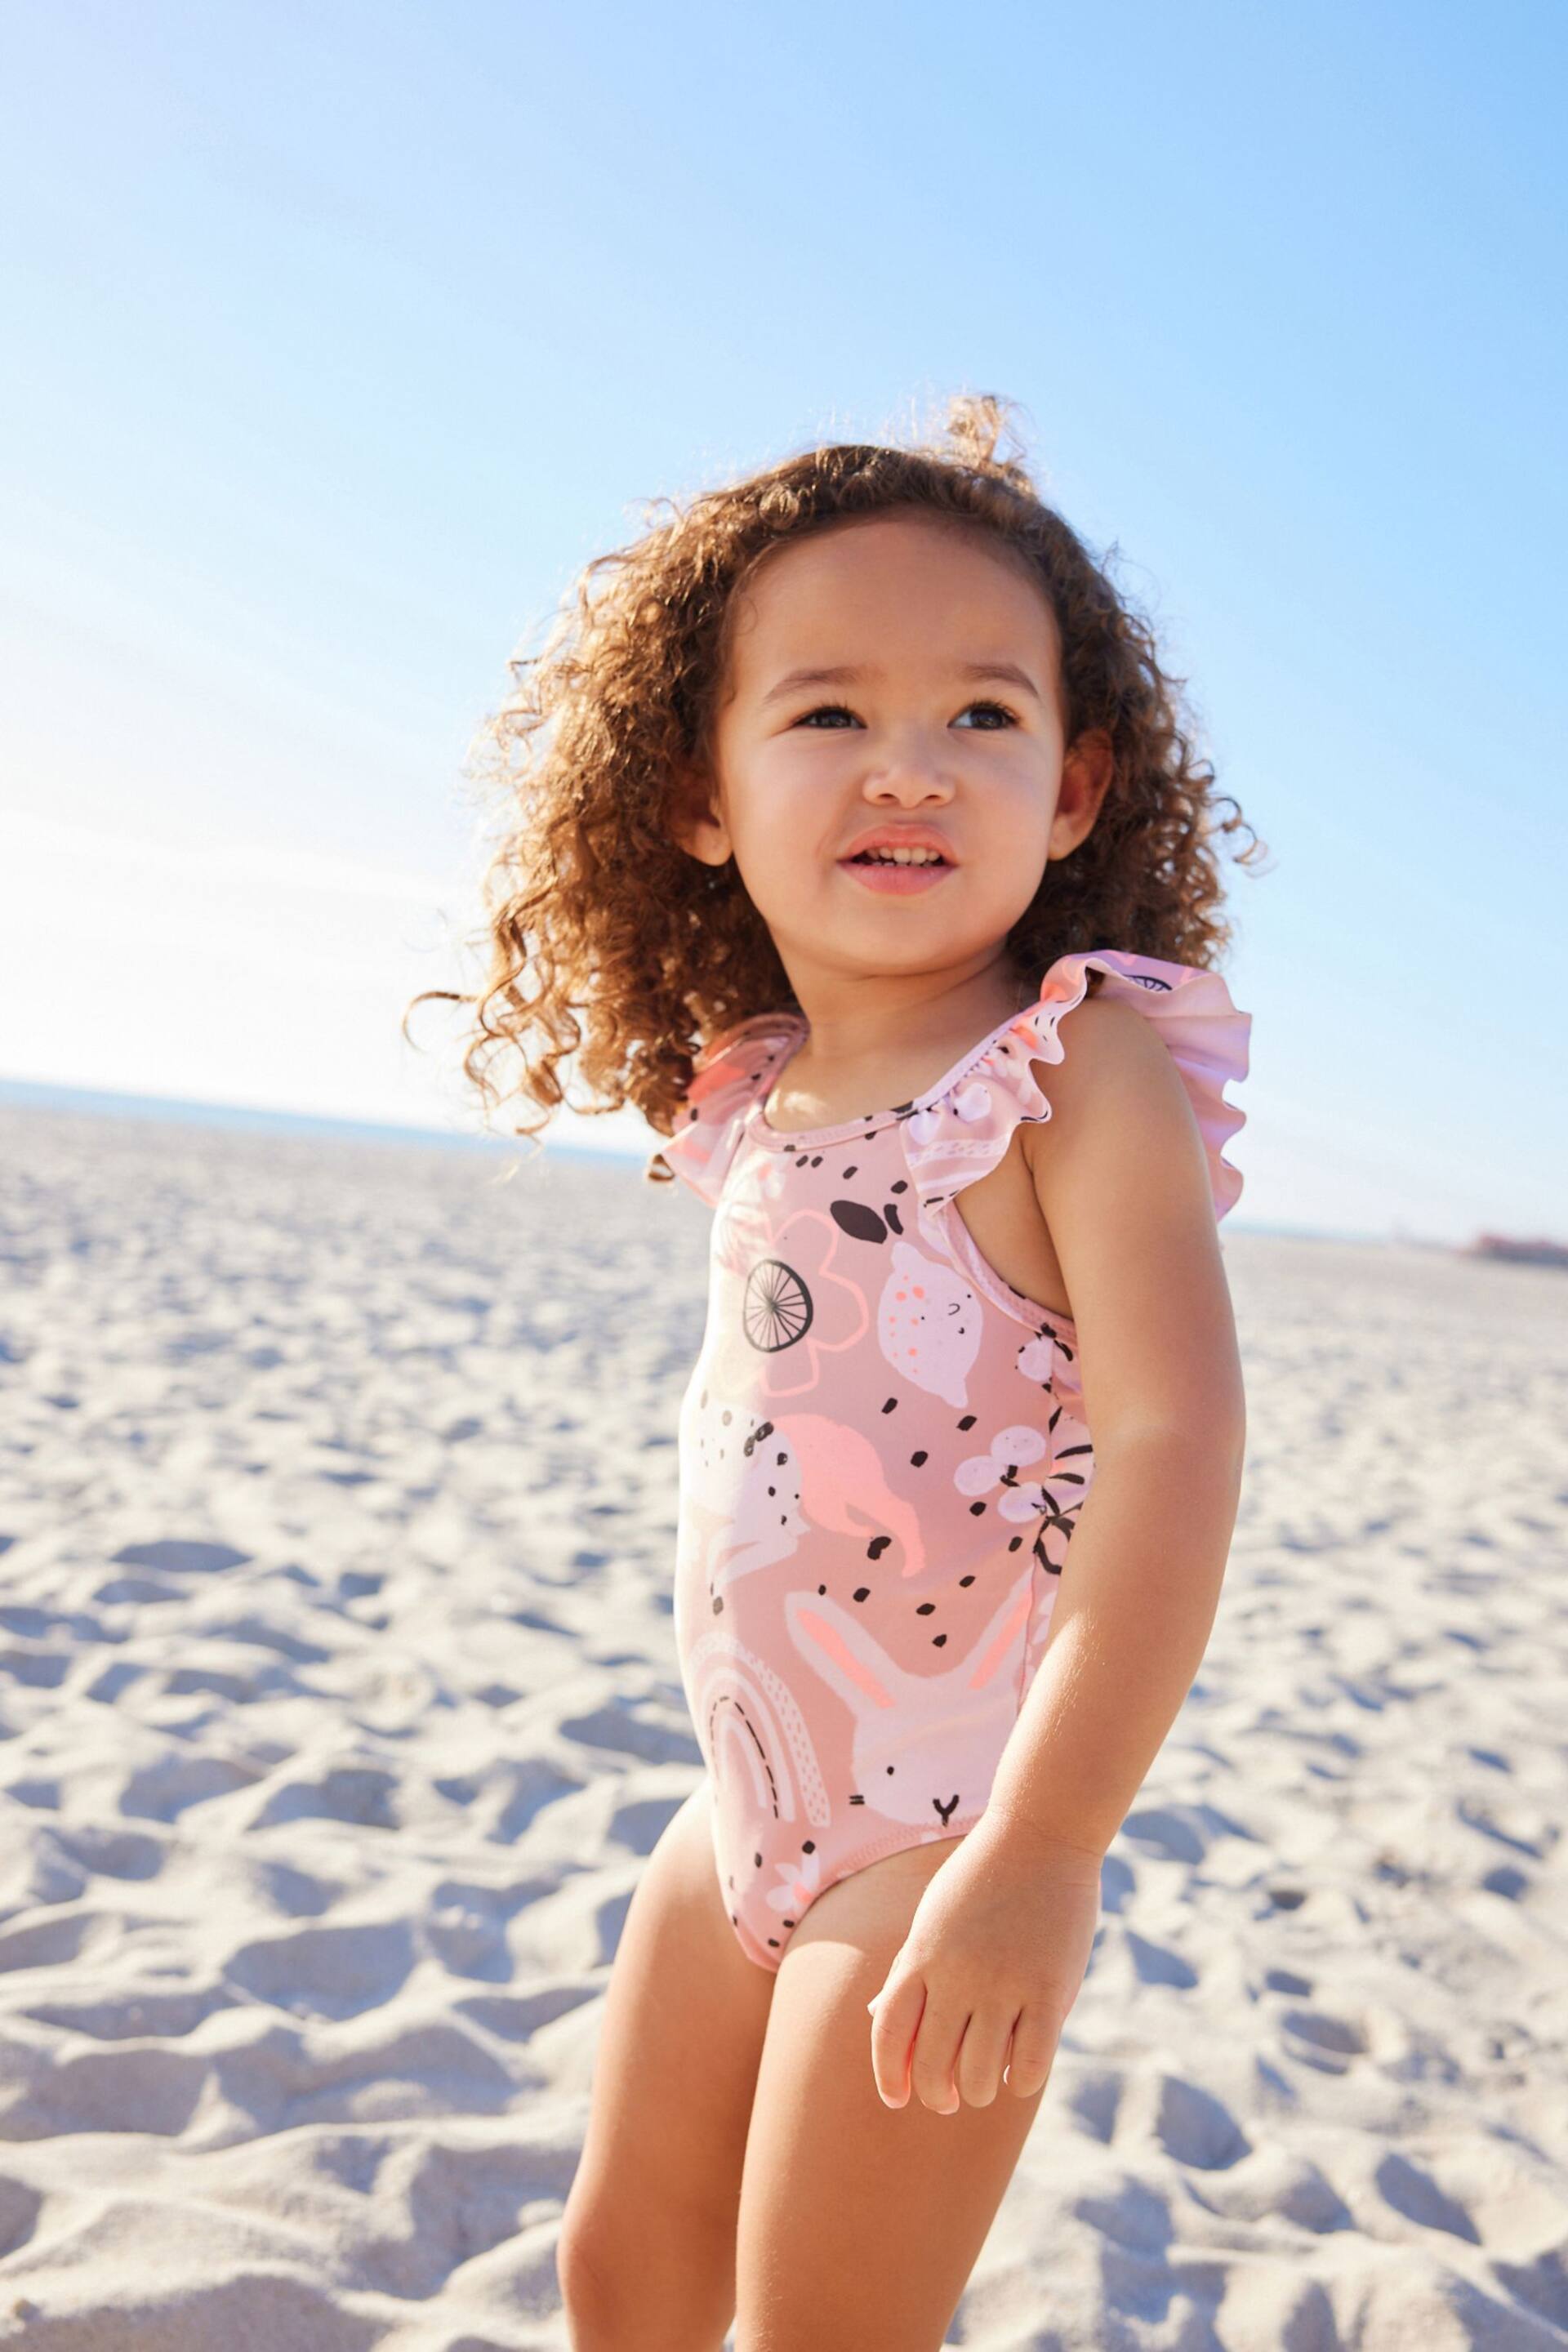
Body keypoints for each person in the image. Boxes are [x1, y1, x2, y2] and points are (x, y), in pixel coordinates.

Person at [414, 391, 1264, 2352]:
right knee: (623, 2275)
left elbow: (1172, 1438)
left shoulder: (1073, 1071)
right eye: (826, 714)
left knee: (824, 2330)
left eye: (984, 714)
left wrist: (1047, 1853)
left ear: (1074, 790)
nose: (913, 764)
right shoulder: (759, 1085)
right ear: (699, 794)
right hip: (745, 1808)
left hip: (949, 1838)